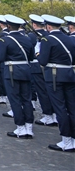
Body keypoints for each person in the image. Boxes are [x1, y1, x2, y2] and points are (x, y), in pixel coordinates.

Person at [38, 14, 75, 152]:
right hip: (69, 75)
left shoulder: (47, 39)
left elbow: (42, 61)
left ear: (48, 26)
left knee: (60, 108)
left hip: (54, 76)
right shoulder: (70, 38)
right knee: (72, 107)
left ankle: (66, 140)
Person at [0, 15, 35, 139]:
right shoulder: (27, 39)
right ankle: (29, 127)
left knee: (15, 100)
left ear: (8, 26)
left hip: (12, 71)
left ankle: (20, 127)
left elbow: (0, 58)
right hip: (25, 70)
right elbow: (31, 57)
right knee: (26, 100)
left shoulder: (5, 40)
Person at [27, 14, 57, 127]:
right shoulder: (49, 35)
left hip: (37, 66)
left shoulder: (31, 36)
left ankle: (48, 115)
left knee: (42, 92)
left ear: (34, 25)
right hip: (49, 67)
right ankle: (54, 115)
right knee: (51, 91)